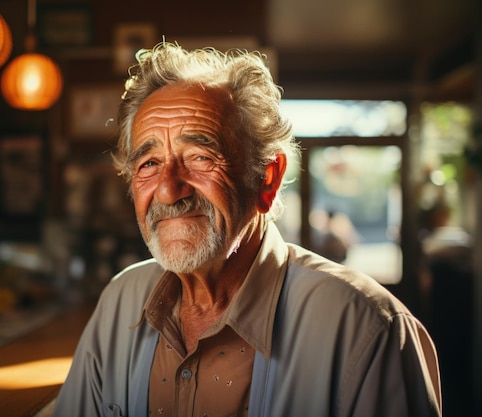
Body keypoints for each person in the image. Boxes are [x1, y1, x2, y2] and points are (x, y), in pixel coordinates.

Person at [51, 43, 441, 416]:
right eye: (149, 163)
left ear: (267, 180)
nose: (169, 190)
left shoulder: (365, 327)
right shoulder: (121, 301)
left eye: (201, 157)